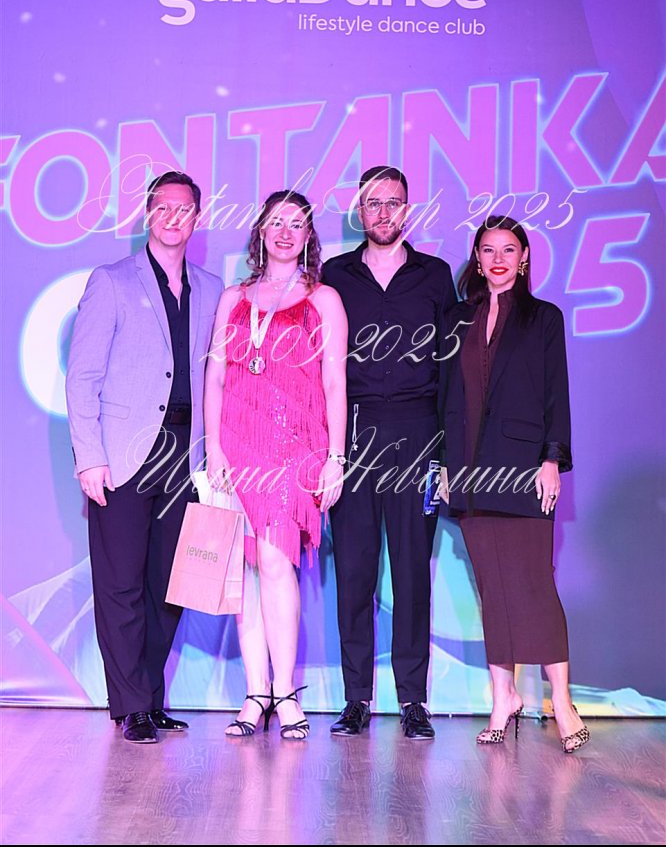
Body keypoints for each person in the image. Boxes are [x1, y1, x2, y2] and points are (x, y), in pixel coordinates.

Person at [66, 171, 222, 743]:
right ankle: (130, 704)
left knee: (169, 583)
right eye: (163, 207)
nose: (173, 217)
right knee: (121, 583)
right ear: (147, 213)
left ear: (198, 217)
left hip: (185, 453)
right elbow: (82, 376)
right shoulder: (110, 281)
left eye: (184, 209)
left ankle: (150, 698)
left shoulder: (212, 288)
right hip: (122, 451)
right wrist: (89, 457)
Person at [440, 215, 590, 753]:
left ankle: (561, 702)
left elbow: (556, 393)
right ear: (477, 259)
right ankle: (503, 697)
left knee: (534, 587)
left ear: (524, 258)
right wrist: (444, 465)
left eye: (509, 249)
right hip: (469, 471)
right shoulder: (456, 318)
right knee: (493, 590)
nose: (498, 259)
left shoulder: (544, 317)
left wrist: (552, 458)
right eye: (488, 250)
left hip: (524, 468)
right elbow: (447, 398)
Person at [204, 190, 348, 740]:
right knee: (245, 568)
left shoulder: (324, 299)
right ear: (260, 231)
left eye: (296, 224)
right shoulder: (233, 298)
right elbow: (216, 377)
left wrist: (336, 458)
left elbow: (335, 382)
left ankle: (285, 693)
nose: (285, 232)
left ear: (309, 235)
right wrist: (214, 448)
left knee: (275, 561)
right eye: (275, 222)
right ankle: (254, 694)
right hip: (237, 446)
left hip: (296, 449)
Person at [321, 166, 457, 739]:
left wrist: (446, 455)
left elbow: (451, 369)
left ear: (408, 209)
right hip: (352, 435)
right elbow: (319, 369)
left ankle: (412, 700)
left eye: (393, 202)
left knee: (411, 574)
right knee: (354, 572)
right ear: (359, 210)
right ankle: (356, 698)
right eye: (373, 203)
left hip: (417, 434)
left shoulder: (435, 275)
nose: (383, 212)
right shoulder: (334, 275)